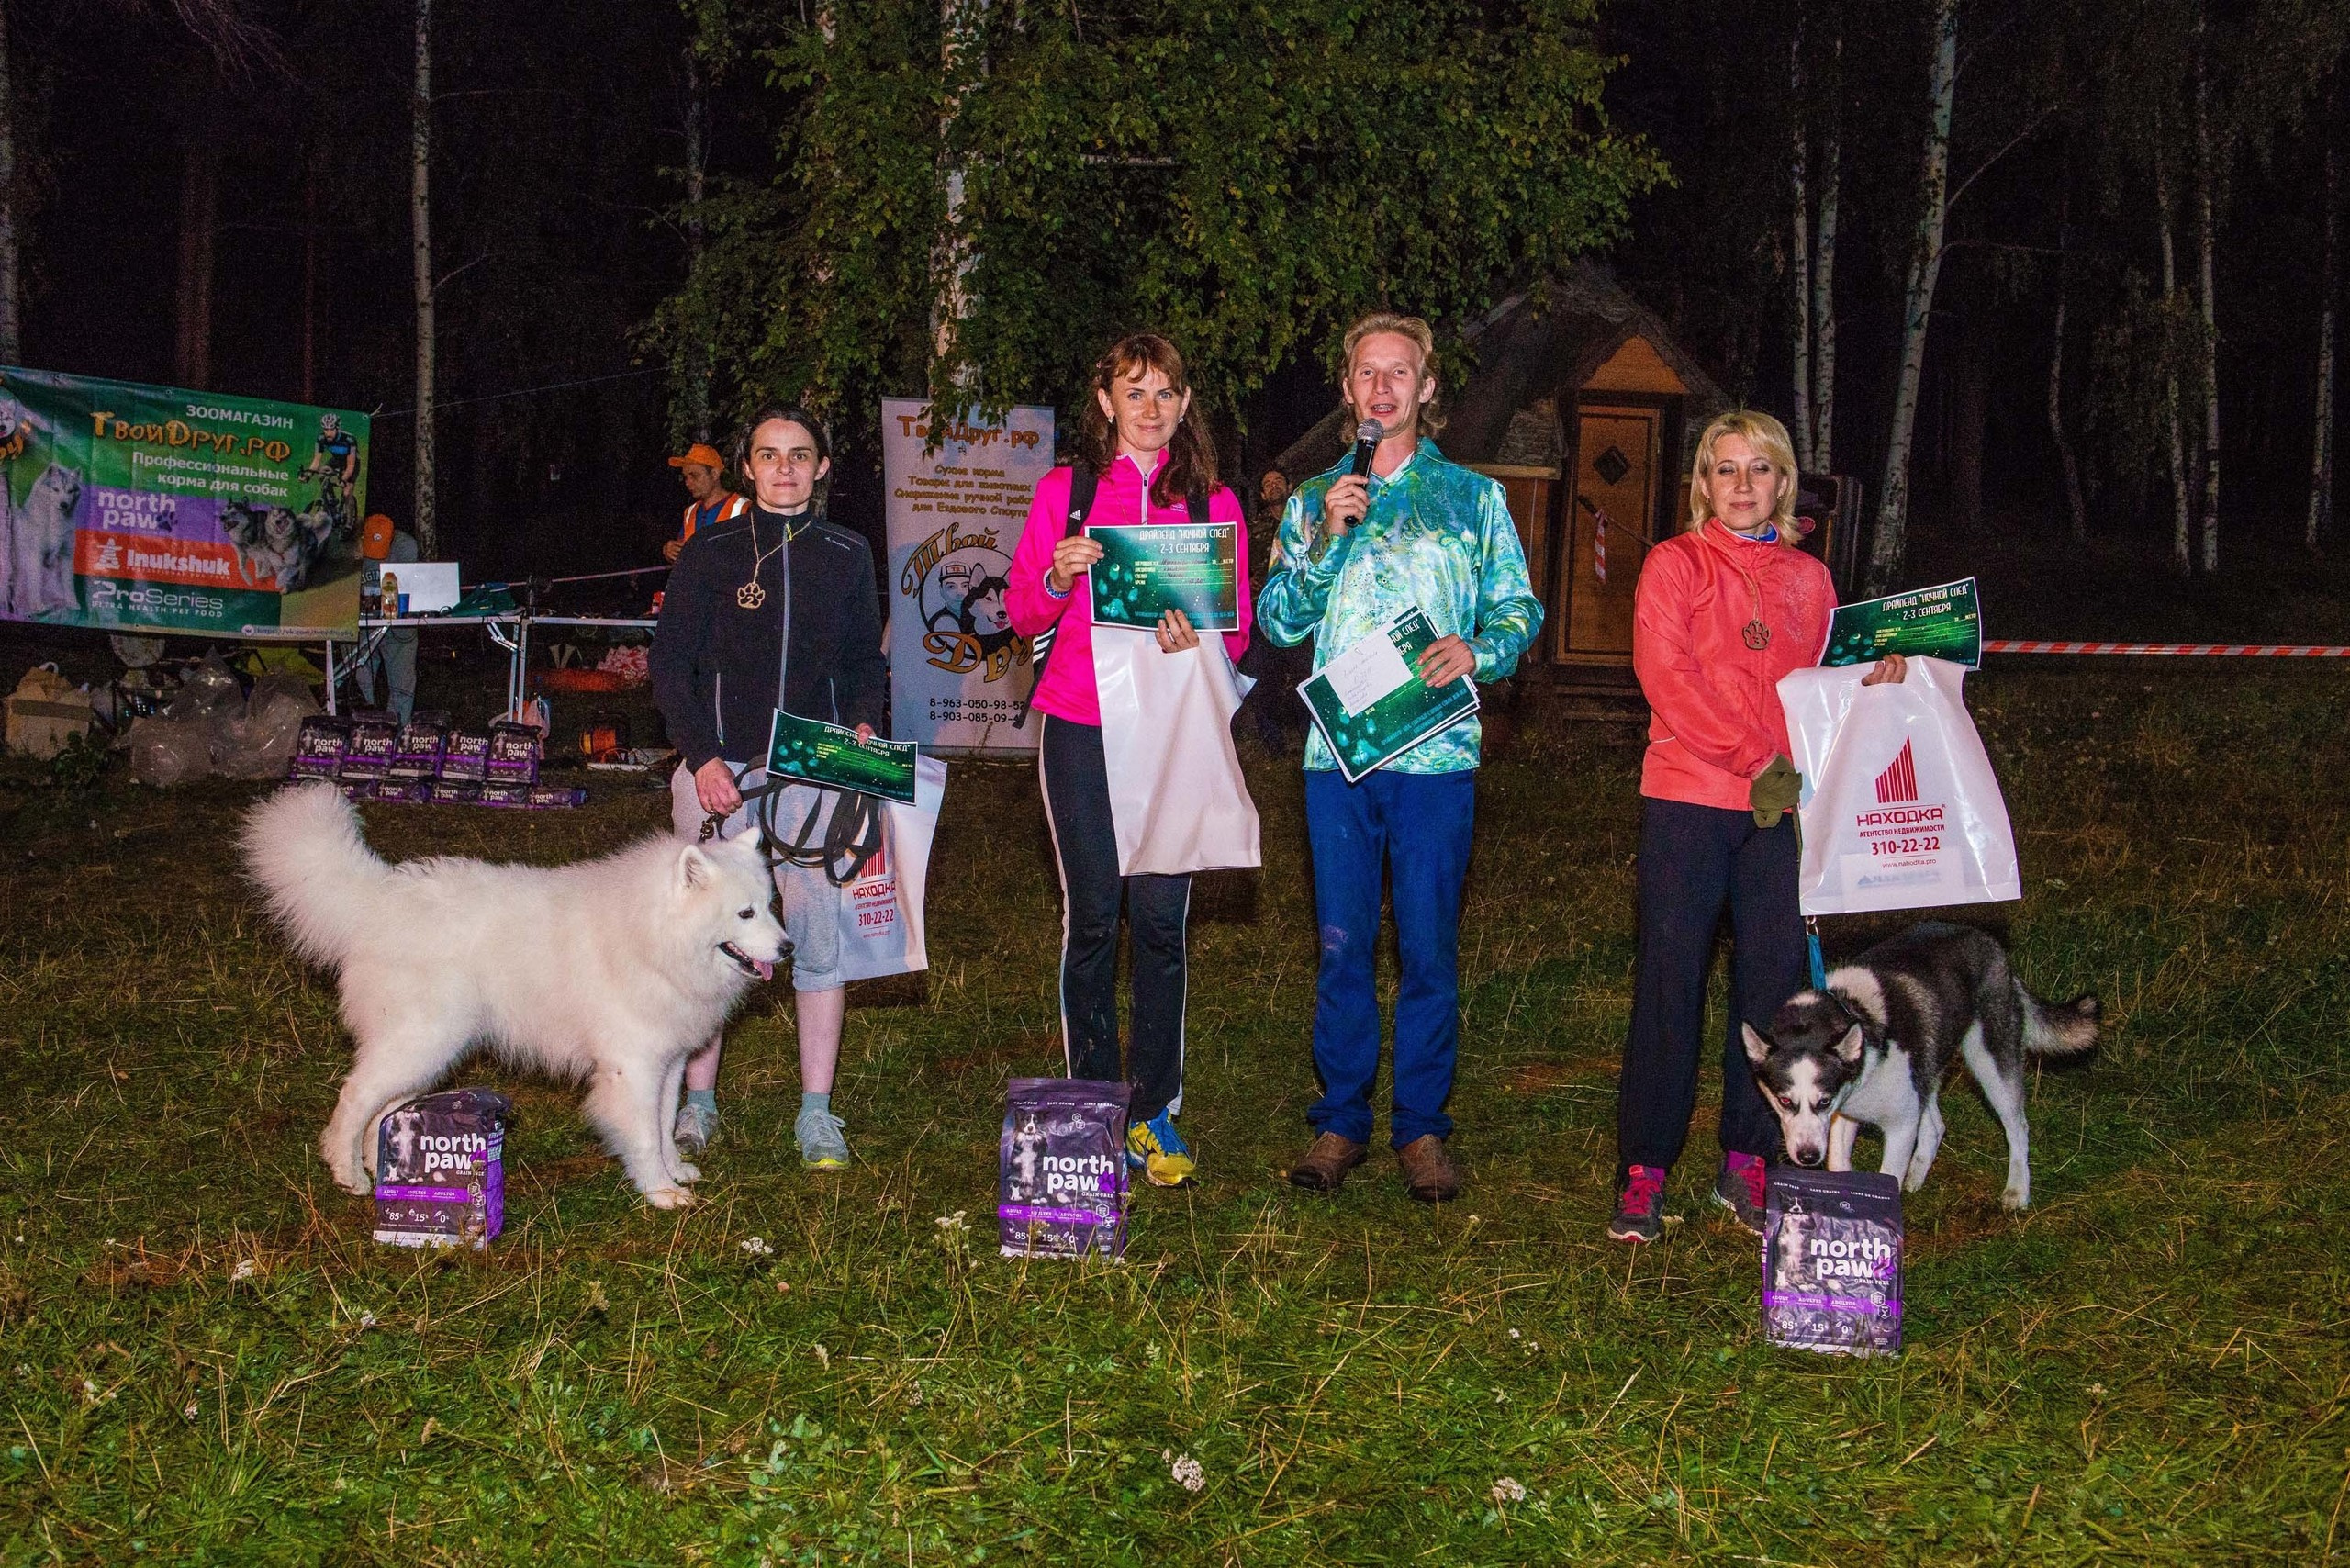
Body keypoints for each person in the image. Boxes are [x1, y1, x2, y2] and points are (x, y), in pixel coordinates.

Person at [1259, 313, 1542, 1204]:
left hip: (1436, 753)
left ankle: (1420, 1127)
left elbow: (1518, 608)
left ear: (1425, 389)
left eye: (1400, 373)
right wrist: (1322, 543)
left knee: (1426, 945)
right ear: (1346, 391)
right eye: (1366, 373)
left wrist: (1480, 650)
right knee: (1342, 944)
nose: (1382, 387)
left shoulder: (1471, 498)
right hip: (1337, 759)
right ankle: (1340, 1121)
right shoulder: (1313, 499)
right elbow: (1276, 623)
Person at [1607, 409, 1906, 1244]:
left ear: (1784, 482)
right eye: (1726, 470)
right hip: (1689, 799)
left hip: (1780, 814)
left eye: (1761, 470)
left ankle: (1748, 1159)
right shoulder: (1675, 565)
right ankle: (1645, 1168)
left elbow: (1825, 685)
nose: (1743, 486)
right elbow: (1666, 675)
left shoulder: (1811, 580)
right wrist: (1752, 755)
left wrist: (1876, 677)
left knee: (1776, 995)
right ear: (1702, 483)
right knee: (1671, 985)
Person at [1005, 332, 1253, 1189]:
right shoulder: (1065, 493)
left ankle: (1153, 1111)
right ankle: (1090, 1108)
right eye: (1132, 393)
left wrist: (1202, 634)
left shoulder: (1213, 503)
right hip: (1080, 722)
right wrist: (1058, 576)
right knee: (1095, 917)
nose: (1149, 410)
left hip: (1174, 730)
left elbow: (1240, 627)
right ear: (1105, 402)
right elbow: (1021, 612)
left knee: (1159, 924)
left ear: (1185, 405)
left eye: (1165, 394)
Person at [648, 407, 887, 1167]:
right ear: (747, 469)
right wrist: (703, 757)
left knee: (818, 936)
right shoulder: (710, 550)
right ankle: (697, 1104)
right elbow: (670, 664)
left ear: (821, 469)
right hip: (722, 770)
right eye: (768, 455)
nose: (785, 468)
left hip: (813, 770)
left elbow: (861, 663)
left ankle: (817, 1113)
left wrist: (861, 724)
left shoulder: (848, 553)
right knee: (705, 938)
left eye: (801, 455)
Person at [354, 513, 419, 723]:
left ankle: (396, 732)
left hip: (397, 625)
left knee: (402, 682)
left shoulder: (406, 547)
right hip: (360, 624)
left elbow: (412, 586)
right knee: (360, 678)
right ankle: (365, 728)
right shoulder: (348, 546)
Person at [664, 442, 749, 564]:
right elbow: (682, 557)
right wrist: (670, 551)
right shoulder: (690, 512)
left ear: (714, 474)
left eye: (694, 476)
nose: (688, 483)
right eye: (686, 477)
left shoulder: (744, 508)